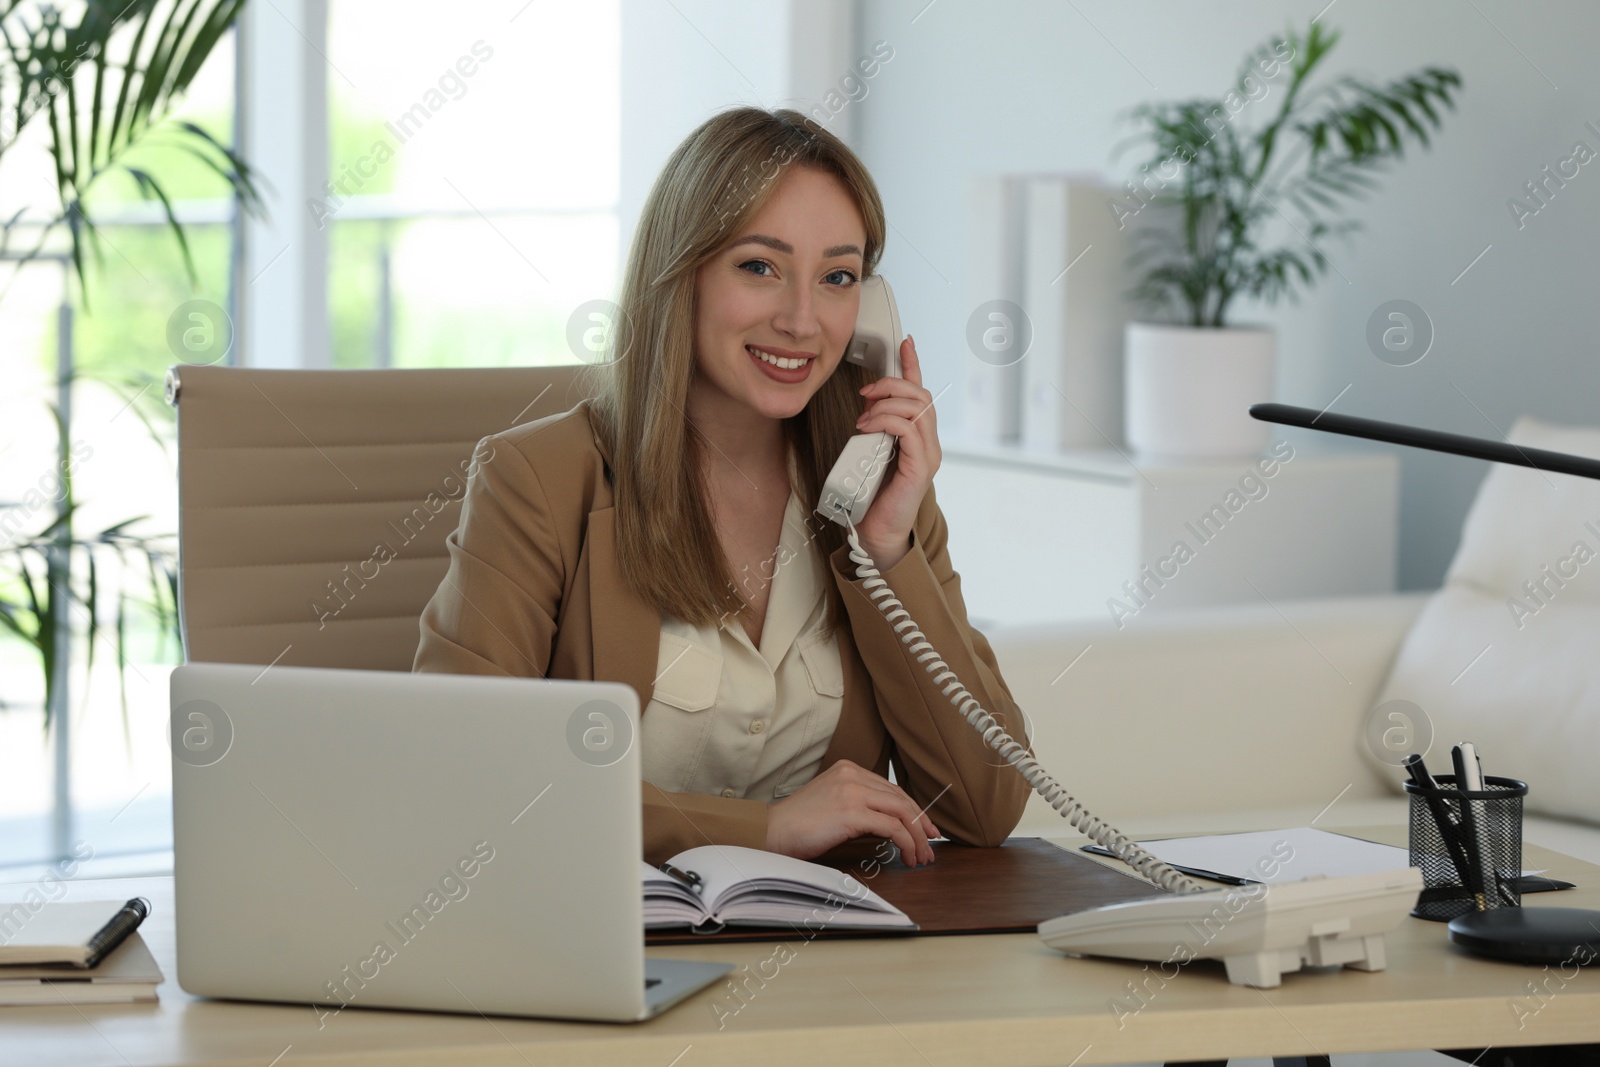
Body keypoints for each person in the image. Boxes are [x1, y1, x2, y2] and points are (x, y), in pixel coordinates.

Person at [413, 106, 1031, 868]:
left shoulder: (871, 487)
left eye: (838, 277)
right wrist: (764, 829)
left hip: (824, 950)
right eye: (760, 267)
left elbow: (986, 806)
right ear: (681, 275)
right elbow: (468, 778)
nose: (803, 321)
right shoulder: (539, 481)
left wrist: (887, 551)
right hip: (601, 952)